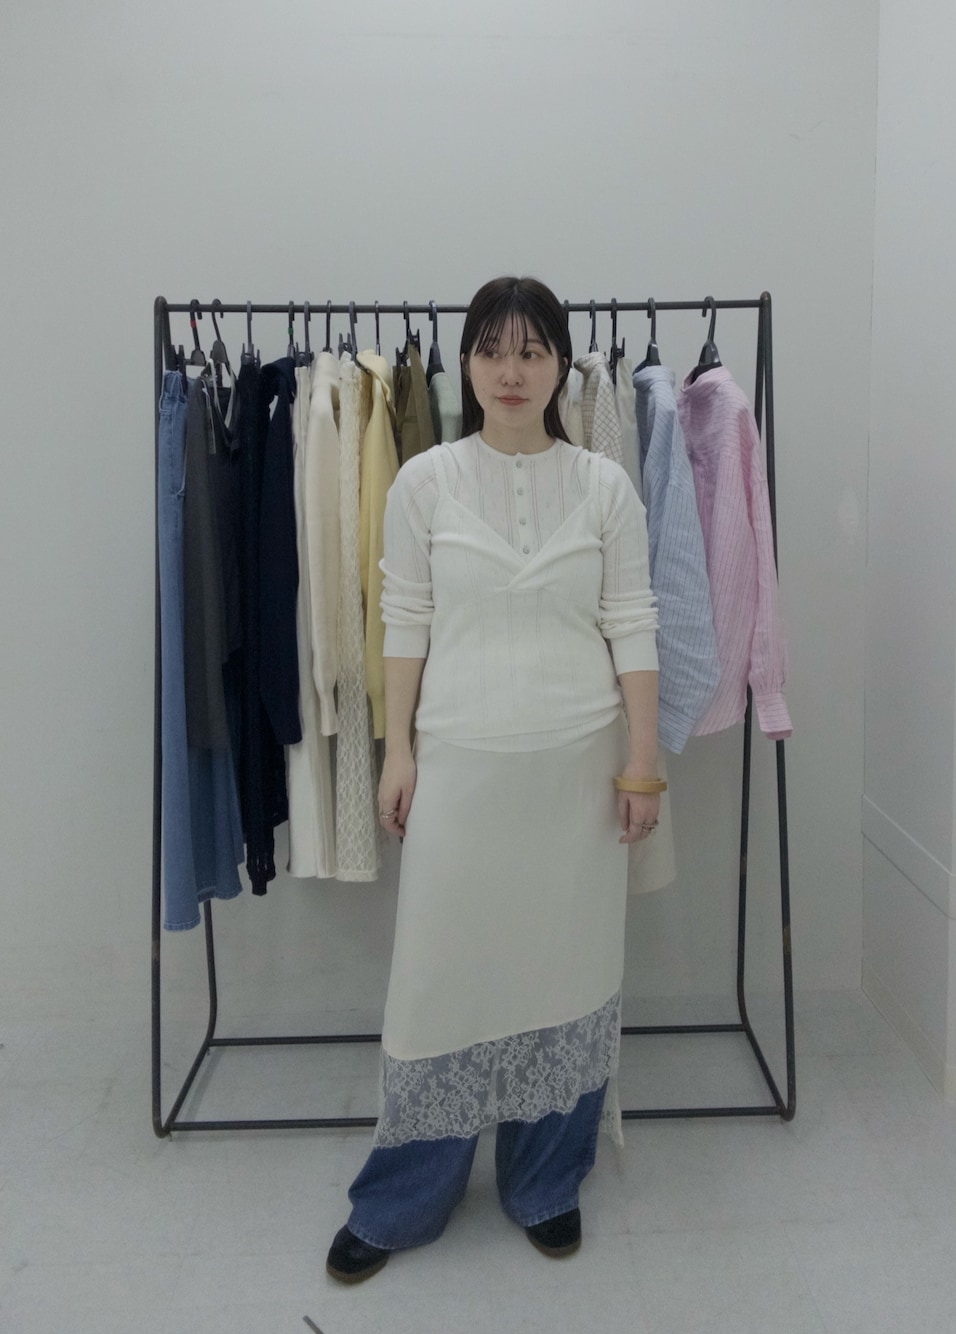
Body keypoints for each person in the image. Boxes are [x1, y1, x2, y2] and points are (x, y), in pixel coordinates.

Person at [326, 276, 663, 1283]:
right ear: (466, 362)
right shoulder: (423, 481)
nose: (510, 372)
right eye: (490, 350)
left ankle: (545, 1181)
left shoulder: (604, 486)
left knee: (567, 972)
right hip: (461, 766)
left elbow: (633, 623)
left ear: (560, 362)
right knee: (440, 983)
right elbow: (405, 621)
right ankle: (403, 1195)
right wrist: (398, 751)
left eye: (531, 350)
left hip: (578, 770)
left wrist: (643, 763)